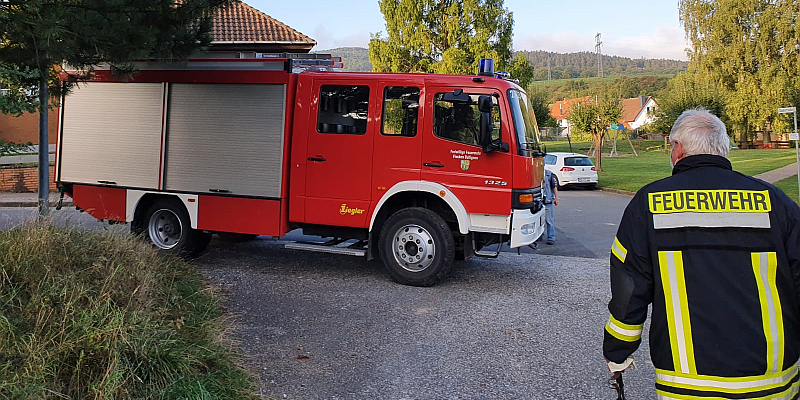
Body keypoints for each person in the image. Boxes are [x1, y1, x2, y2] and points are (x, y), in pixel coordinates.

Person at [602, 108, 800, 398]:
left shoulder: (649, 203)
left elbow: (629, 291)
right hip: (771, 380)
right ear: (724, 149)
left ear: (678, 149)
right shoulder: (774, 201)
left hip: (686, 383)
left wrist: (617, 351)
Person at [543, 168, 559, 245]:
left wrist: (556, 198)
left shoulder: (548, 174)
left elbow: (553, 186)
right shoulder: (534, 173)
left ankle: (551, 237)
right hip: (538, 201)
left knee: (549, 220)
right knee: (540, 221)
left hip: (547, 201)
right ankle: (539, 236)